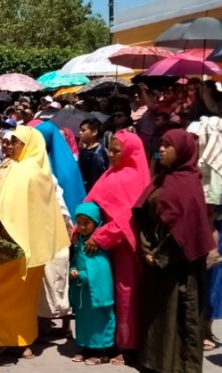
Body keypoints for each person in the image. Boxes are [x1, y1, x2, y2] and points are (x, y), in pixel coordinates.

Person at [0, 126, 70, 361]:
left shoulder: (20, 171)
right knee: (24, 298)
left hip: (12, 245)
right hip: (36, 250)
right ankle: (23, 343)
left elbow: (5, 209)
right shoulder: (41, 170)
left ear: (28, 144)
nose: (10, 145)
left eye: (16, 141)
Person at [133, 129, 211, 373]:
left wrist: (159, 256)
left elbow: (186, 229)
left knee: (178, 316)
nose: (162, 150)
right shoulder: (161, 178)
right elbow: (144, 213)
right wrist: (146, 247)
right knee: (157, 316)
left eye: (168, 146)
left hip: (178, 264)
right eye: (161, 145)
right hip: (155, 257)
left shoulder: (188, 184)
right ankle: (154, 361)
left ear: (183, 151)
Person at [83, 130, 150, 365]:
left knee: (125, 295)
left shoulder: (134, 177)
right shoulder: (111, 173)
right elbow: (90, 203)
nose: (111, 155)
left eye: (116, 151)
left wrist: (101, 236)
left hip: (123, 249)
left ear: (130, 152)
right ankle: (102, 341)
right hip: (102, 247)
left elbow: (127, 221)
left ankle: (126, 345)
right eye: (109, 150)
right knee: (102, 294)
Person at [189, 116, 222, 351]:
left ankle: (206, 329)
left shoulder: (220, 164)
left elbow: (217, 202)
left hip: (217, 230)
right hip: (203, 225)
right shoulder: (200, 161)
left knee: (212, 281)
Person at [35, 121, 87, 337]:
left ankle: (51, 322)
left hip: (58, 227)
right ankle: (60, 323)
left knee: (53, 274)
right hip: (67, 226)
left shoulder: (42, 165)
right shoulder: (65, 163)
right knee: (59, 274)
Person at [69, 202, 115, 365]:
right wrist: (74, 270)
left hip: (96, 291)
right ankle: (86, 347)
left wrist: (81, 274)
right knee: (84, 320)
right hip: (83, 292)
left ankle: (102, 352)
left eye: (86, 223)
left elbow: (100, 270)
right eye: (79, 223)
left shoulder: (97, 244)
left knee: (99, 321)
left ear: (96, 222)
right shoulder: (79, 241)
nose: (81, 227)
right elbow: (76, 260)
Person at [78, 118, 109, 192]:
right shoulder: (84, 150)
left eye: (83, 130)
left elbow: (96, 178)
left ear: (94, 132)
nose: (80, 133)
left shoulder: (98, 153)